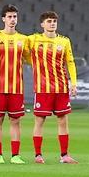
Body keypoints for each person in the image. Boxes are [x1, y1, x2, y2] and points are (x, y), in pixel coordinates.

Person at [0, 5, 33, 164]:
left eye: (15, 17)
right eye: (10, 17)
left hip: (17, 88)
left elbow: (30, 59)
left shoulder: (23, 39)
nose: (12, 20)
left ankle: (15, 155)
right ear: (3, 19)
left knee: (15, 121)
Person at [29, 11, 78, 164]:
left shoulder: (64, 41)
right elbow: (13, 37)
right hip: (43, 89)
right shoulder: (33, 39)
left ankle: (64, 155)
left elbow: (70, 62)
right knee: (39, 121)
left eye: (54, 21)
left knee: (63, 120)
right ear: (42, 24)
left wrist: (74, 83)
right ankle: (38, 155)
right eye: (49, 21)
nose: (52, 23)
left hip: (61, 87)